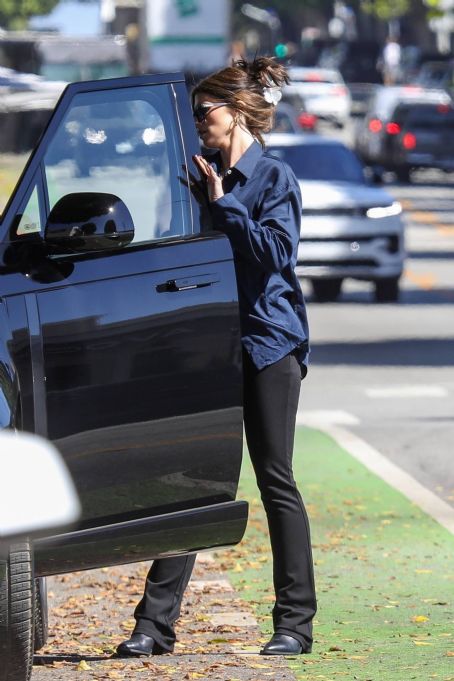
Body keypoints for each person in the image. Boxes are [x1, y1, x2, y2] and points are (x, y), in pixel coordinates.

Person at [117, 56, 317, 658]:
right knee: (190, 479)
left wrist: (224, 204)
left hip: (268, 343)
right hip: (208, 345)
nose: (197, 124)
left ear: (237, 112)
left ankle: (295, 625)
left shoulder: (273, 179)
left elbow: (275, 256)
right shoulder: (196, 179)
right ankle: (154, 626)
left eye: (204, 113)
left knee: (274, 478)